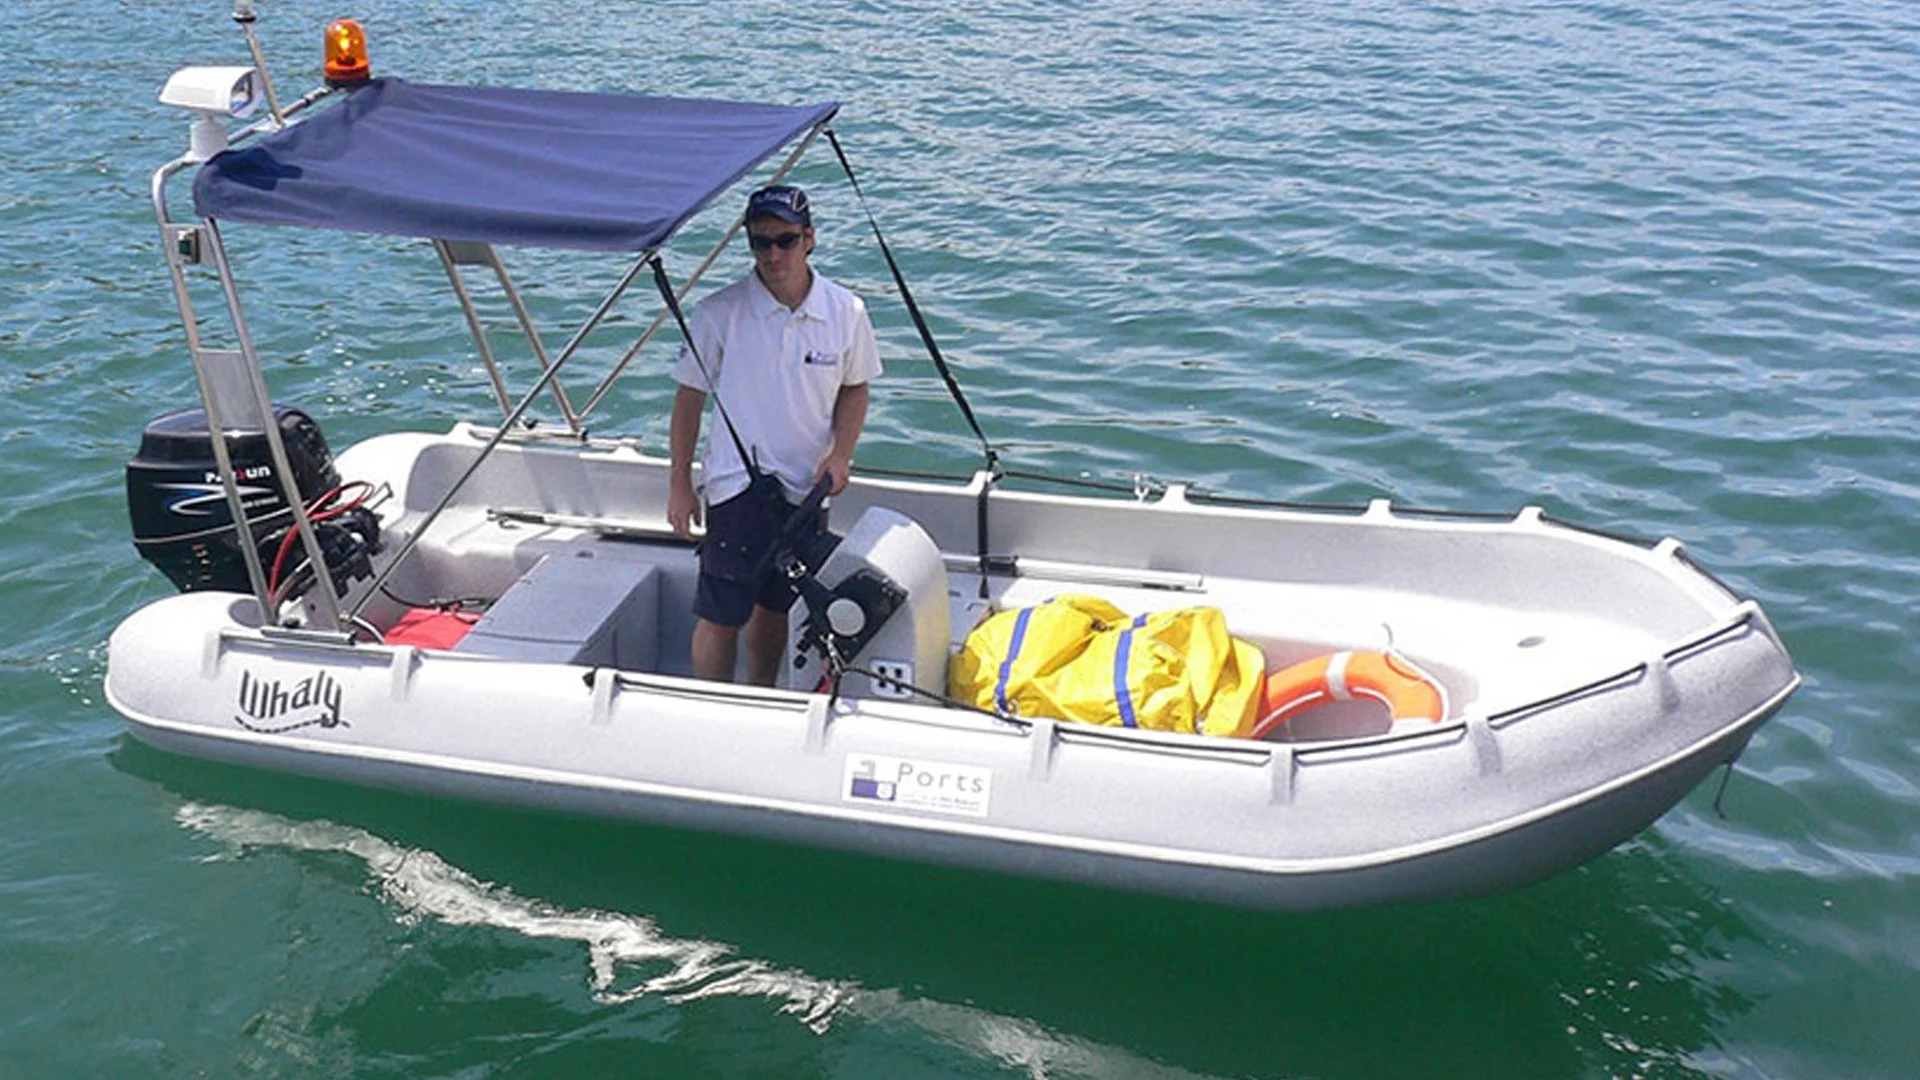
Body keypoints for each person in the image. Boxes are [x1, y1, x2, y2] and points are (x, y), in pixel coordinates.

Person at [667, 184, 882, 685]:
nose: (772, 254)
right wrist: (680, 483)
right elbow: (688, 400)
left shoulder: (847, 312)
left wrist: (841, 456)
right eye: (759, 242)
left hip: (807, 488)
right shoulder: (719, 312)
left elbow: (855, 389)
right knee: (720, 616)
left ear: (810, 239)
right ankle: (710, 700)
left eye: (785, 240)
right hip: (736, 487)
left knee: (776, 609)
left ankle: (763, 695)